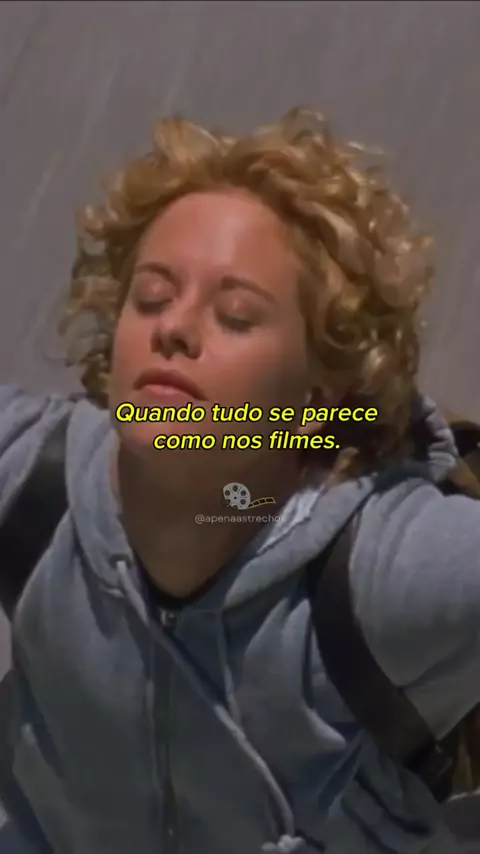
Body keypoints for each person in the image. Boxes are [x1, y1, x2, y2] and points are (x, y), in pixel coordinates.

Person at [0, 107, 479, 854]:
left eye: (236, 315)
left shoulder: (383, 573)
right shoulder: (36, 481)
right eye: (151, 297)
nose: (174, 328)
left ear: (319, 387)